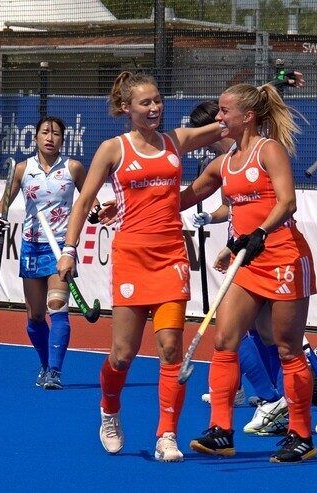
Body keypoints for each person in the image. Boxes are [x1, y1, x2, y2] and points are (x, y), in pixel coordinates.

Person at [56, 71, 224, 462]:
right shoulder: (113, 149)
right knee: (122, 354)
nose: (154, 108)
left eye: (158, 101)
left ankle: (167, 435)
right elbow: (84, 202)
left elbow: (228, 123)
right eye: (145, 103)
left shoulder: (176, 141)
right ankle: (110, 410)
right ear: (126, 108)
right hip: (132, 257)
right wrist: (68, 249)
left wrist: (273, 87)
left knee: (170, 349)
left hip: (171, 257)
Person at [181, 82, 317, 463]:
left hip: (285, 258)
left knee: (288, 348)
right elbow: (187, 196)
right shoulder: (224, 163)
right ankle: (221, 430)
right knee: (225, 340)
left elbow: (287, 202)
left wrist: (258, 233)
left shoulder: (268, 150)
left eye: (225, 111)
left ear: (248, 116)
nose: (219, 117)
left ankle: (302, 434)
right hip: (249, 262)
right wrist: (133, 205)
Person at [188, 100, 288, 436]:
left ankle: (274, 398)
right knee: (254, 332)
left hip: (268, 249)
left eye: (221, 117)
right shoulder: (226, 160)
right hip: (243, 249)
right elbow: (229, 207)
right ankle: (266, 399)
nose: (217, 123)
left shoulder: (260, 150)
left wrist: (247, 238)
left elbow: (279, 203)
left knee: (271, 335)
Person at [0, 116, 88, 390]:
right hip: (31, 246)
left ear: (62, 139)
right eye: (45, 132)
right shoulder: (23, 169)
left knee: (57, 307)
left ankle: (55, 372)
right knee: (35, 316)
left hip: (61, 246)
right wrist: (0, 217)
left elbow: (88, 197)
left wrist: (93, 211)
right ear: (35, 137)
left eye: (56, 133)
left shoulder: (73, 168)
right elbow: (3, 204)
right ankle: (45, 365)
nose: (50, 137)